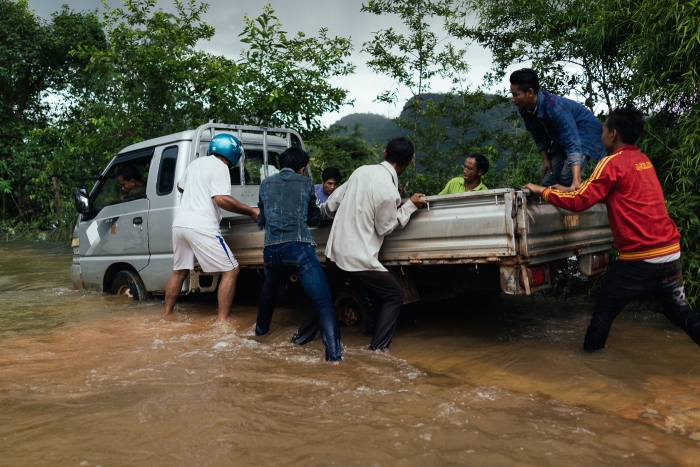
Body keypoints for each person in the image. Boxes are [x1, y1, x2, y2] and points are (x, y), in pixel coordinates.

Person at [523, 104, 700, 351]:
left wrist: (542, 191)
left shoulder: (612, 163)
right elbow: (616, 194)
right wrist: (567, 190)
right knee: (679, 312)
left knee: (603, 314)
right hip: (670, 253)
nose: (601, 134)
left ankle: (589, 368)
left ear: (613, 133)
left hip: (639, 258)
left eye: (603, 129)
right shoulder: (642, 160)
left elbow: (578, 202)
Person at [292, 137, 428, 351]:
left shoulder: (361, 171)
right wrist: (409, 205)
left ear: (384, 153)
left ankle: (299, 340)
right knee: (393, 296)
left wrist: (320, 214)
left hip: (335, 249)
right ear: (410, 161)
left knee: (327, 296)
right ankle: (377, 350)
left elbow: (333, 201)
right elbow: (386, 227)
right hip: (357, 256)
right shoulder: (389, 192)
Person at [255, 147, 342, 363]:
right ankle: (334, 359)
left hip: (271, 251)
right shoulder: (305, 183)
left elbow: (262, 218)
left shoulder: (265, 183)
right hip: (299, 248)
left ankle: (259, 337)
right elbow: (313, 217)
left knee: (269, 289)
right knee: (323, 303)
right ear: (302, 169)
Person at [162, 134, 259, 322]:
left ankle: (166, 315)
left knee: (179, 271)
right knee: (231, 271)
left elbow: (180, 187)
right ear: (233, 153)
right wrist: (250, 211)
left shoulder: (196, 163)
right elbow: (221, 199)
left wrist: (196, 190)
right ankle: (223, 321)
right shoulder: (221, 167)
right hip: (201, 226)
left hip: (180, 225)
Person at [510, 68, 606, 191]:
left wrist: (576, 181)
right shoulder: (524, 108)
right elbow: (537, 133)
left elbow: (572, 141)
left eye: (516, 95)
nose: (513, 99)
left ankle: (571, 207)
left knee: (567, 179)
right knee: (549, 179)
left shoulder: (555, 108)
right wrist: (546, 159)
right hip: (561, 139)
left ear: (530, 92)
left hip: (586, 134)